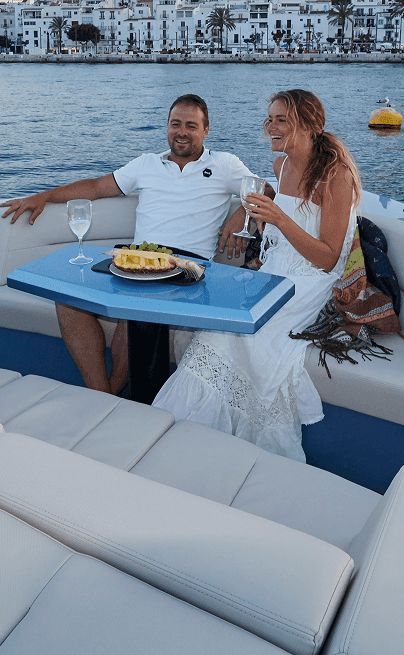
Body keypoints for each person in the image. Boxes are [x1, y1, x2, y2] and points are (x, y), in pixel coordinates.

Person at [0, 94, 253, 398]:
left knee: (135, 311)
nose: (182, 132)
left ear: (206, 130)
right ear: (167, 127)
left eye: (191, 125)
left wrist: (242, 212)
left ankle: (102, 400)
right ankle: (101, 397)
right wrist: (44, 196)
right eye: (175, 124)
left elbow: (262, 189)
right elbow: (96, 186)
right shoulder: (147, 164)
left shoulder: (224, 164)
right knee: (67, 301)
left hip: (187, 268)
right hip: (136, 260)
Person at [153, 89, 360, 462]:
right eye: (270, 118)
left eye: (282, 120)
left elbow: (328, 259)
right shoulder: (281, 167)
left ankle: (205, 449)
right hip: (276, 271)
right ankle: (181, 445)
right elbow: (276, 218)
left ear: (310, 126)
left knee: (238, 338)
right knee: (215, 332)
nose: (271, 127)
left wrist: (278, 217)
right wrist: (252, 215)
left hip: (310, 281)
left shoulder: (336, 176)